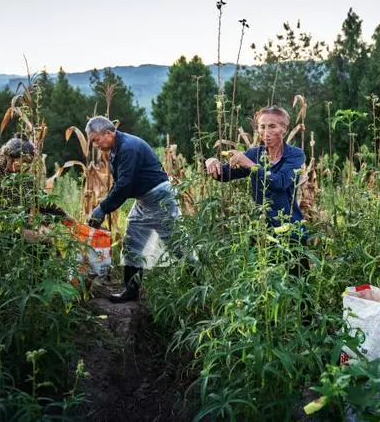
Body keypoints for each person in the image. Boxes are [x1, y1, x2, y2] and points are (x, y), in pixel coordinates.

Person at [85, 116, 180, 304]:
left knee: (176, 242)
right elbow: (120, 183)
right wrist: (103, 206)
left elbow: (125, 184)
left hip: (159, 198)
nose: (95, 145)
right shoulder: (115, 148)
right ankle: (131, 291)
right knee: (132, 240)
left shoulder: (128, 147)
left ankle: (198, 281)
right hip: (145, 199)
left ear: (109, 133)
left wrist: (102, 209)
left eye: (96, 139)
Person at [205, 105, 307, 247]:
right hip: (262, 231)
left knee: (296, 268)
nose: (266, 133)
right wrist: (211, 162)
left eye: (272, 126)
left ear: (284, 129)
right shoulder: (255, 154)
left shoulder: (295, 154)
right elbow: (224, 175)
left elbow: (279, 183)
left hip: (291, 230)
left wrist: (251, 165)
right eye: (262, 127)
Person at [0, 134, 68, 220]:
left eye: (26, 163)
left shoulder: (24, 177)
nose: (21, 166)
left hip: (21, 226)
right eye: (19, 161)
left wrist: (65, 217)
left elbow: (40, 201)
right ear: (7, 156)